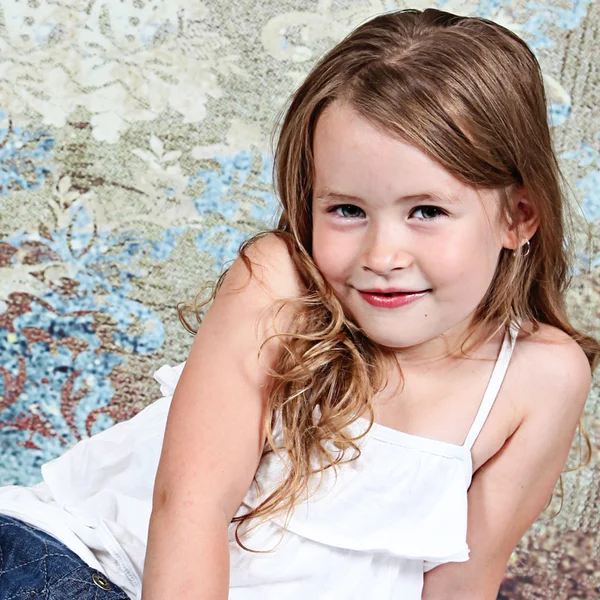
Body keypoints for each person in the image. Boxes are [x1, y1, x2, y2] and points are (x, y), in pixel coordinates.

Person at [0, 7, 598, 600]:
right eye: (347, 210)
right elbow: (189, 508)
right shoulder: (277, 284)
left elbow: (463, 583)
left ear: (518, 218)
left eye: (427, 212)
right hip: (78, 561)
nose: (382, 254)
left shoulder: (540, 377)